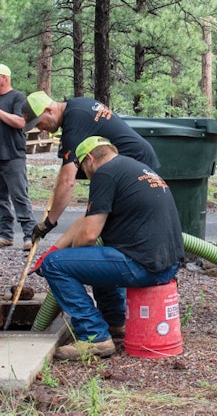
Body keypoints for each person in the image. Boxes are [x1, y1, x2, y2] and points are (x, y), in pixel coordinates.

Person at [32, 136, 184, 360]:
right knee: (91, 258)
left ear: (90, 159)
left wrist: (59, 258)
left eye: (85, 170)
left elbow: (89, 234)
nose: (88, 177)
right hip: (165, 265)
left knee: (55, 265)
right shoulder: (134, 168)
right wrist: (55, 248)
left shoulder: (105, 173)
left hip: (143, 267)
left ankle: (93, 336)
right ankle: (115, 322)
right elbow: (87, 218)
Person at [22, 91, 160, 241]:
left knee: (116, 225)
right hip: (131, 162)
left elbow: (68, 182)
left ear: (49, 111)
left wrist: (48, 223)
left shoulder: (74, 124)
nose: (41, 129)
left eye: (39, 123)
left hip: (133, 163)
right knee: (108, 223)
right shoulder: (77, 105)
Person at [0, 64, 36, 250]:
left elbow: (20, 122)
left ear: (4, 77)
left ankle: (29, 235)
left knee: (19, 196)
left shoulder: (17, 97)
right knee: (0, 198)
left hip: (13, 155)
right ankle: (6, 235)